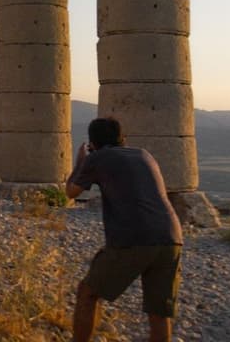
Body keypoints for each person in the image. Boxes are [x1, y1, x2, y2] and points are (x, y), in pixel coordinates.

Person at [65, 117, 184, 342]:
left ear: (92, 143)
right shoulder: (144, 154)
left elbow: (71, 192)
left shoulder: (97, 157)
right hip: (171, 236)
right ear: (123, 139)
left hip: (133, 237)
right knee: (159, 314)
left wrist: (80, 162)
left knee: (88, 293)